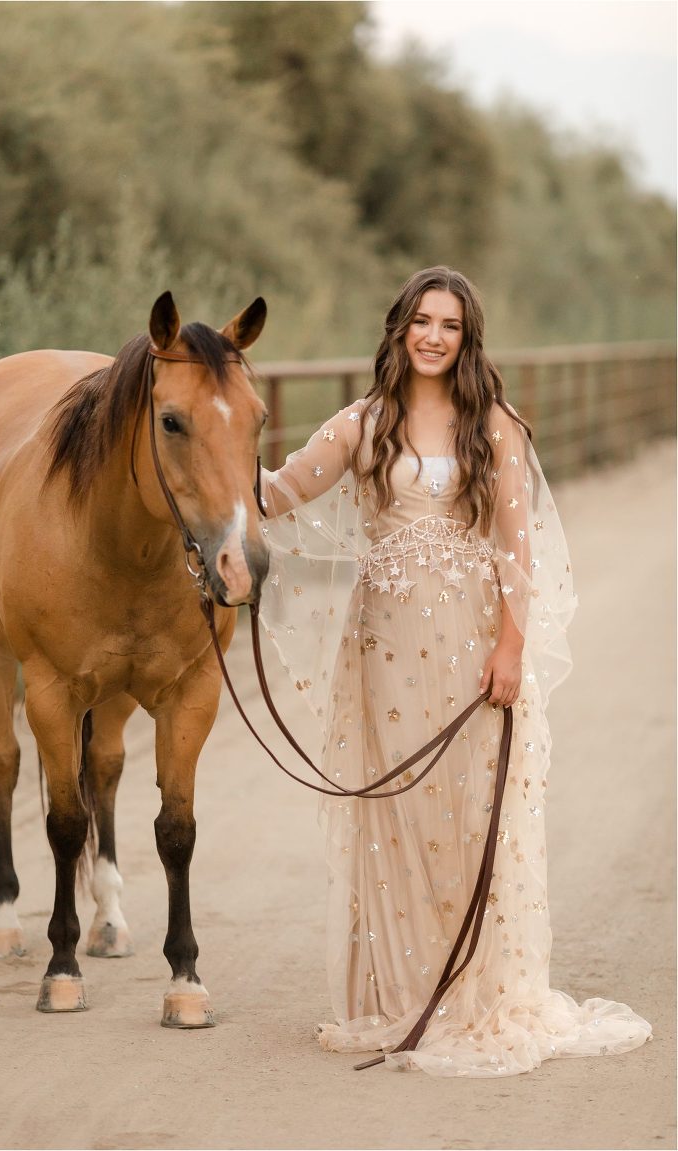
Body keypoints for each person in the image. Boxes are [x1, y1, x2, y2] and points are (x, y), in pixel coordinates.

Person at [257, 267, 651, 1076]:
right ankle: (402, 989)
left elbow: (516, 545)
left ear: (467, 340)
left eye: (451, 325)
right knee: (397, 807)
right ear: (400, 328)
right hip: (385, 645)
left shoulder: (492, 424)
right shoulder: (364, 422)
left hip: (472, 639)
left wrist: (511, 645)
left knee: (474, 811)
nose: (434, 336)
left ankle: (476, 989)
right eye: (422, 321)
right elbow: (285, 489)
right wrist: (214, 451)